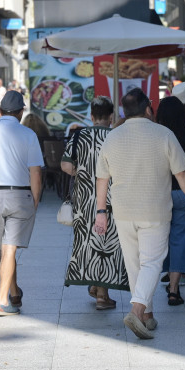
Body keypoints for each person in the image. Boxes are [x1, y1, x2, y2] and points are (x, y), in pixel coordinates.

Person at [93, 88, 185, 339]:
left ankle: (148, 315)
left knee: (134, 265)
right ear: (148, 109)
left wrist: (101, 211)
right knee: (152, 261)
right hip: (155, 209)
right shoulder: (164, 134)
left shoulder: (113, 137)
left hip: (122, 210)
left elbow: (102, 178)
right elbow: (182, 173)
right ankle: (137, 309)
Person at [0, 90, 44, 317]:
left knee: (5, 249)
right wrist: (36, 200)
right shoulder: (28, 134)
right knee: (9, 249)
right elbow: (35, 173)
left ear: (0, 110)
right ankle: (2, 302)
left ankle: (13, 291)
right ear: (21, 111)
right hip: (20, 195)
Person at [60, 97, 129, 310]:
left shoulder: (79, 135)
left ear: (91, 116)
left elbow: (65, 165)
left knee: (87, 242)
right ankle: (102, 295)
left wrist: (83, 173)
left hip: (83, 200)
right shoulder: (116, 136)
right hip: (110, 199)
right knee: (106, 244)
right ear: (111, 117)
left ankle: (94, 286)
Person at [155, 97, 185, 307]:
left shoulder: (156, 136)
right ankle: (174, 289)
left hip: (160, 194)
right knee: (181, 239)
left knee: (158, 239)